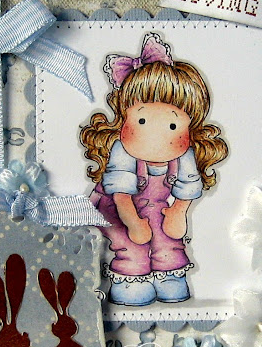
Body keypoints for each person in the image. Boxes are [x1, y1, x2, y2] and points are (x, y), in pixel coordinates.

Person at [80, 32, 228, 306]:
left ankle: (169, 274)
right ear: (125, 117)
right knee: (132, 243)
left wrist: (178, 212)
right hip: (115, 206)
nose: (155, 136)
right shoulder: (122, 150)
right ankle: (130, 278)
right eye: (142, 121)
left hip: (155, 205)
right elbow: (121, 196)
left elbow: (187, 187)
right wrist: (134, 223)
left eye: (172, 126)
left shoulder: (185, 153)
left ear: (189, 127)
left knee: (167, 238)